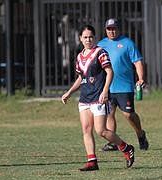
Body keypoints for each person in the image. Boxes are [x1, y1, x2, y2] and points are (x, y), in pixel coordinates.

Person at [61, 25, 135, 171]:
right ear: (80, 39)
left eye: (90, 37)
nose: (88, 39)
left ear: (94, 38)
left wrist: (105, 91)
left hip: (98, 97)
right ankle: (92, 161)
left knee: (101, 131)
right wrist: (69, 92)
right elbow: (81, 78)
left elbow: (109, 72)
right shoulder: (80, 56)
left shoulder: (100, 52)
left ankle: (126, 148)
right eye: (85, 37)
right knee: (86, 130)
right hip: (84, 99)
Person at [97, 18, 149, 151]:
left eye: (114, 28)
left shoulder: (127, 43)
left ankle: (140, 134)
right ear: (106, 30)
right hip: (107, 86)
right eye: (109, 29)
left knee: (128, 114)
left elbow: (137, 62)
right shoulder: (101, 44)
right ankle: (113, 142)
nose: (112, 31)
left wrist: (141, 78)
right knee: (109, 113)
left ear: (118, 29)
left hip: (124, 86)